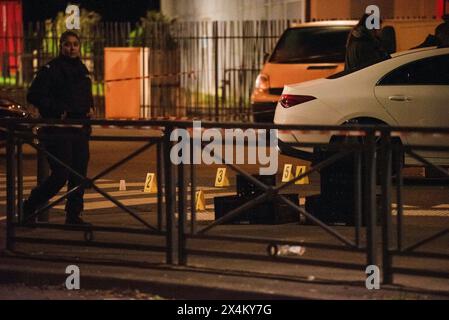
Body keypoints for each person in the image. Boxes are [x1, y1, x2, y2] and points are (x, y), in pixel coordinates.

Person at [23, 31, 93, 226]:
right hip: (57, 130)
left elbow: (85, 94)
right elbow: (34, 95)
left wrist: (91, 108)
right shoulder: (51, 69)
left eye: (75, 45)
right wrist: (56, 110)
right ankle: (30, 205)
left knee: (78, 175)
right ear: (61, 47)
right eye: (67, 44)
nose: (71, 48)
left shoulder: (82, 70)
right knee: (60, 175)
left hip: (79, 130)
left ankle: (73, 216)